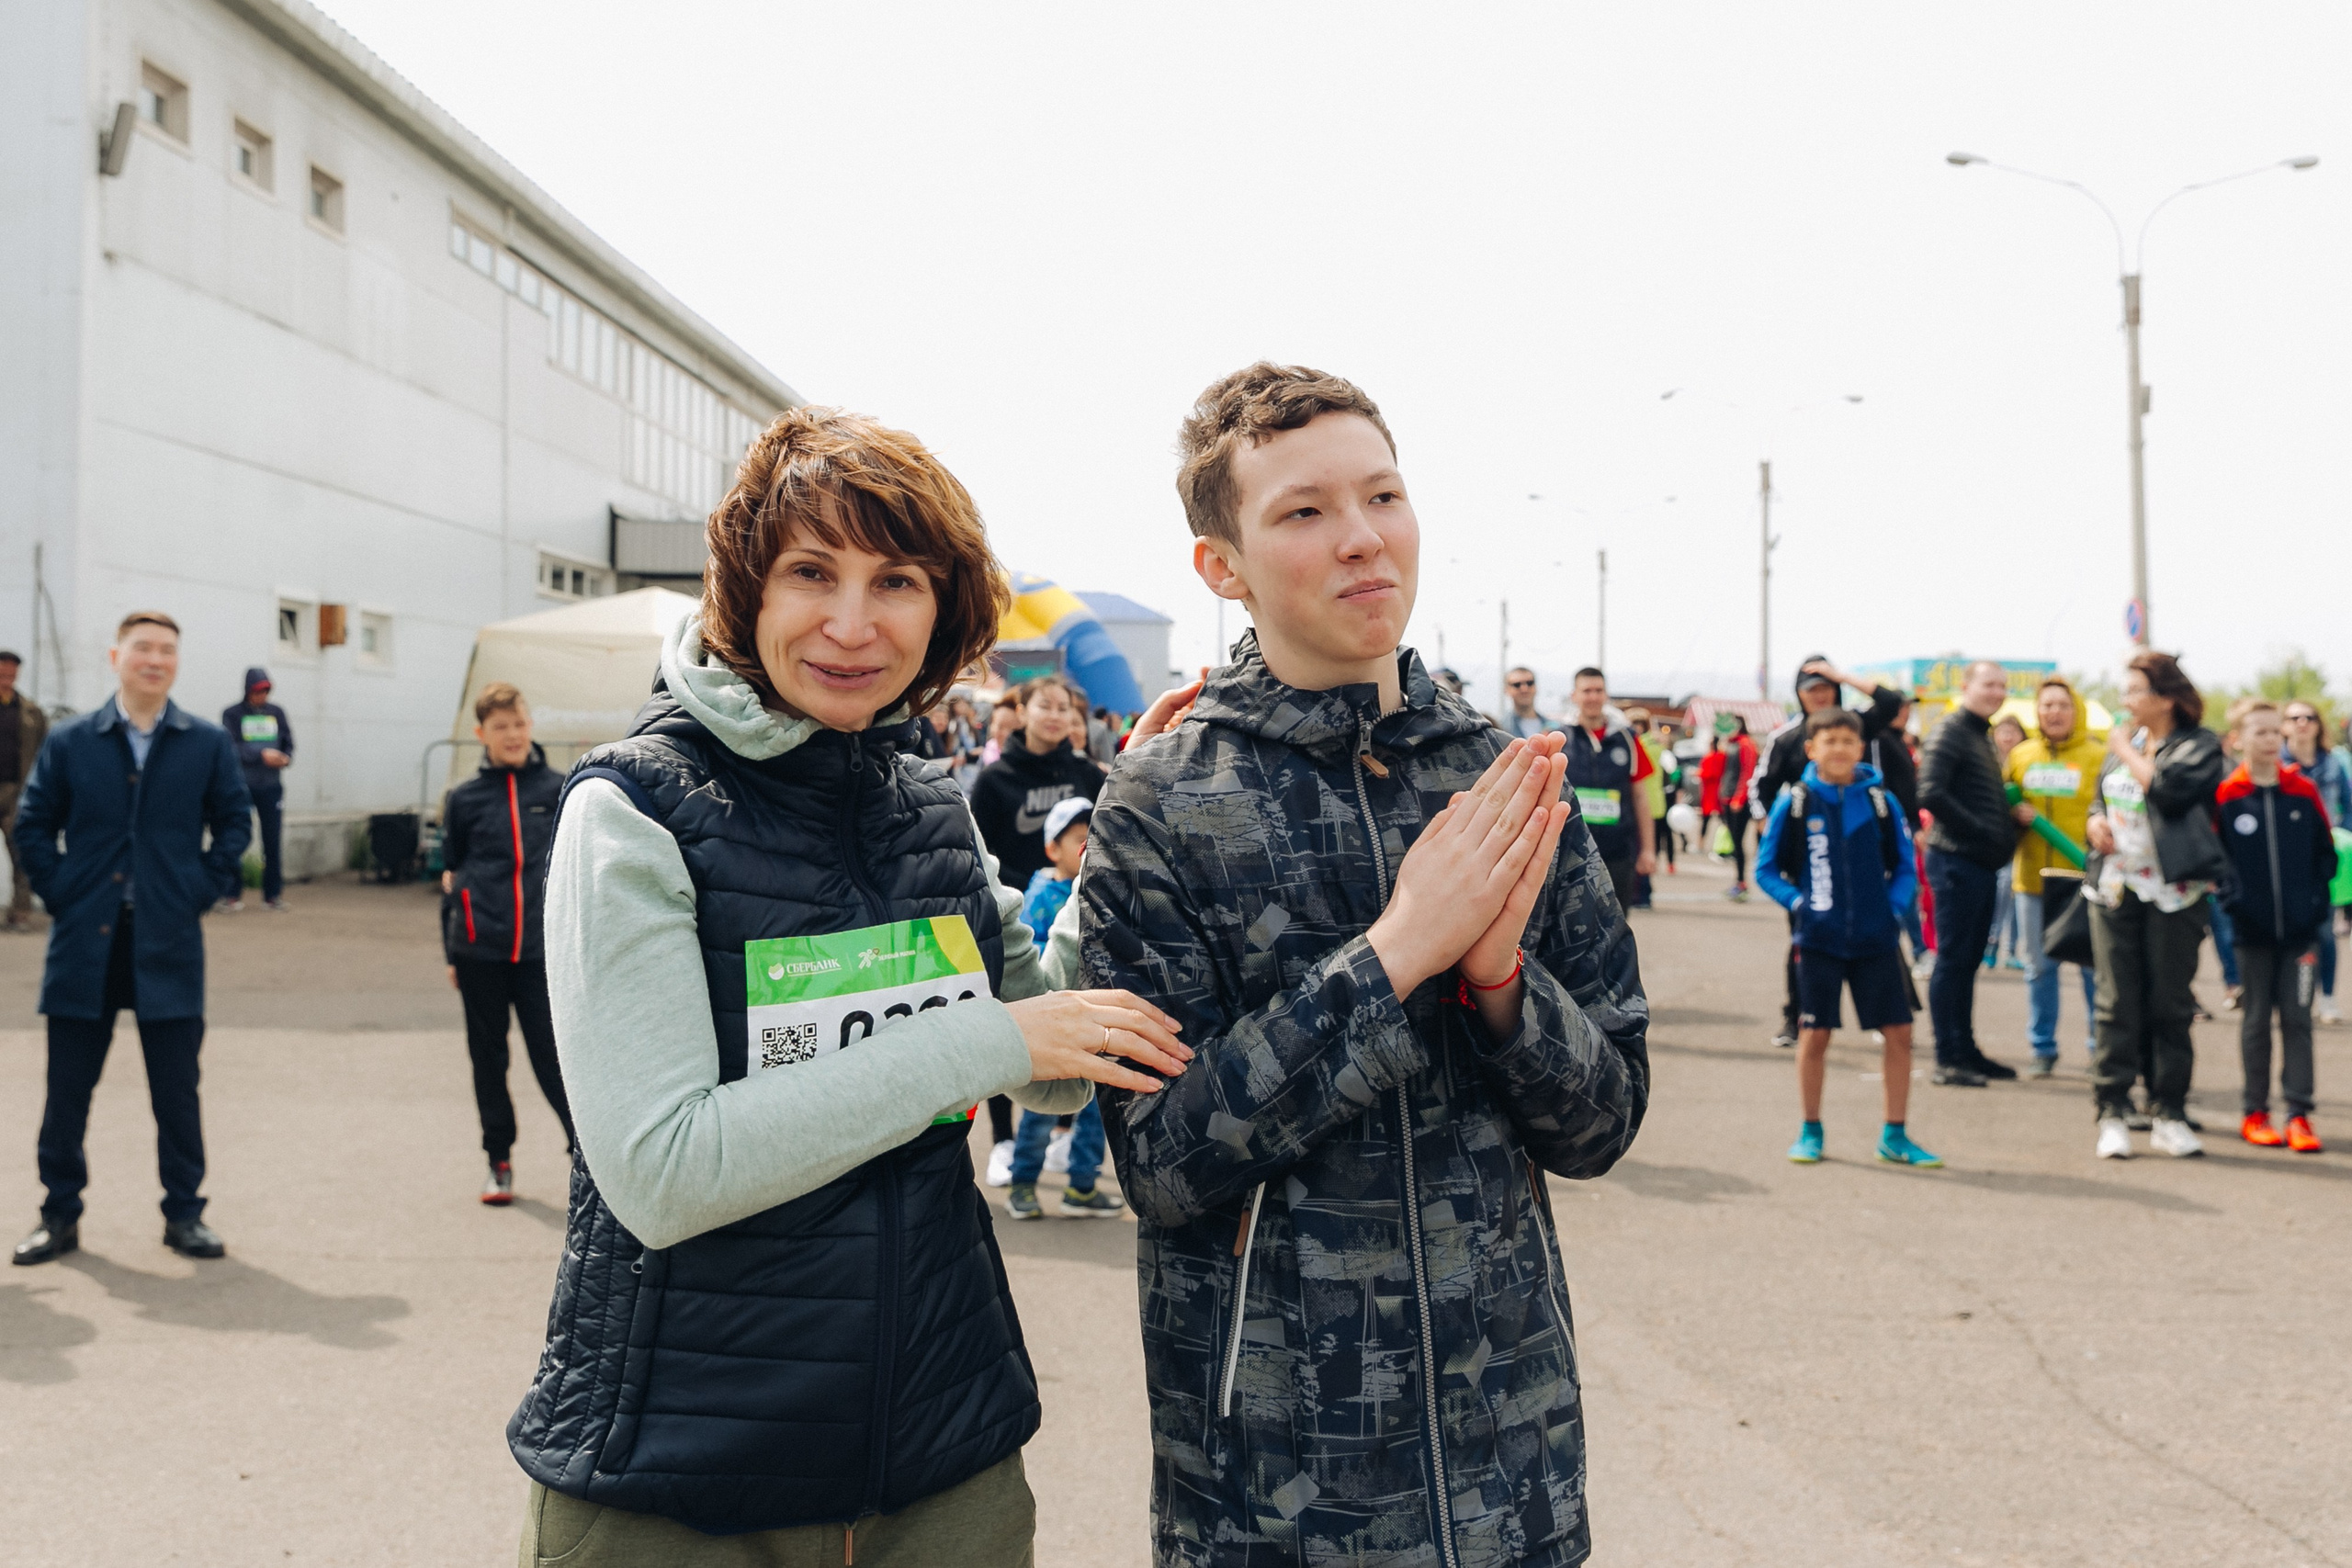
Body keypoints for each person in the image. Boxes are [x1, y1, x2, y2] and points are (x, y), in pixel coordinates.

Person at [508, 406, 1191, 1564]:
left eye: (898, 582)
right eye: (810, 573)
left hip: (937, 1451)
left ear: (947, 609)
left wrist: (1125, 822)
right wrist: (991, 1045)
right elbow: (663, 1172)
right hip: (680, 1474)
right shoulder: (632, 810)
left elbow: (1061, 1066)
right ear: (745, 593)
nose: (850, 623)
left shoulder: (930, 802)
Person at [1082, 362, 1648, 1567]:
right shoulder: (1166, 799)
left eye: (1383, 496)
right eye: (1303, 511)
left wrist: (1502, 984)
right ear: (1221, 564)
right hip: (1275, 1496)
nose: (1363, 540)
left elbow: (1604, 1121)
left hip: (1512, 1477)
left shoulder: (1501, 776)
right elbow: (1166, 1158)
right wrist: (1396, 955)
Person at [10, 611, 250, 1266]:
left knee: (176, 1091)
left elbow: (234, 823)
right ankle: (59, 1213)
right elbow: (31, 824)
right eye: (142, 647)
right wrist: (62, 892)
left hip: (166, 941)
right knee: (67, 1092)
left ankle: (184, 1214)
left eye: (167, 650)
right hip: (85, 942)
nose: (155, 659)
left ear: (177, 661)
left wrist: (197, 890)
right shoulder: (70, 740)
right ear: (116, 655)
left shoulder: (204, 742)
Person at [1755, 707, 1939, 1168]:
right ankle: (1810, 1130)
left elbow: (1903, 867)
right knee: (1814, 1035)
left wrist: (1893, 909)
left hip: (1877, 939)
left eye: (1848, 741)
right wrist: (1800, 905)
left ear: (1860, 748)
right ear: (1811, 749)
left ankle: (1895, 1135)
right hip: (1819, 941)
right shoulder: (1794, 802)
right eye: (1829, 741)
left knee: (1900, 1032)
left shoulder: (1881, 801)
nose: (1839, 749)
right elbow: (1765, 870)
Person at [2085, 651, 2225, 1160]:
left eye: (2134, 692)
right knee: (2116, 1001)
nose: (2125, 701)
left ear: (2164, 698)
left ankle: (2169, 1110)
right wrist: (2094, 821)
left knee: (2170, 1002)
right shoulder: (2125, 744)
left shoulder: (2199, 746)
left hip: (2174, 892)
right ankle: (2113, 1109)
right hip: (2115, 886)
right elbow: (2103, 798)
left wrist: (2125, 749)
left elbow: (2168, 792)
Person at [439, 682, 573, 1205]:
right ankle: (499, 1161)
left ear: (530, 726)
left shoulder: (561, 789)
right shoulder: (464, 799)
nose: (513, 735)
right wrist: (451, 951)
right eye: (501, 727)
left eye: (519, 724)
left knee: (556, 1058)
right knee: (488, 1059)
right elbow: (452, 878)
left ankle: (585, 1159)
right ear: (482, 734)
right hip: (480, 952)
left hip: (543, 954)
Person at [1755, 660, 1904, 1046]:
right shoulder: (1786, 736)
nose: (1820, 694)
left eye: (1826, 687)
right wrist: (1776, 822)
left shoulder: (1853, 724)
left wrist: (1844, 675)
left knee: (1876, 939)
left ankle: (1878, 1016)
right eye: (1811, 688)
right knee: (1805, 939)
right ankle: (1798, 1017)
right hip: (1809, 854)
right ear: (1799, 693)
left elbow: (1891, 702)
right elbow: (1762, 787)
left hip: (1859, 841)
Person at [2215, 701, 2334, 1153]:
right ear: (2239, 739)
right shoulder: (2228, 795)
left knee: (2299, 1020)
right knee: (2256, 1021)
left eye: (2274, 732)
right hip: (2250, 936)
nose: (2269, 740)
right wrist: (2236, 905)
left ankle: (2299, 1114)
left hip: (2302, 935)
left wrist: (2314, 905)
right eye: (2259, 732)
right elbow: (2218, 862)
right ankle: (2255, 1111)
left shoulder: (2303, 792)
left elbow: (2326, 854)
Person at [1004, 796, 1123, 1220]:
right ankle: (1022, 1183)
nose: (1086, 846)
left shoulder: (1107, 887)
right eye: (1078, 839)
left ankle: (1082, 1186)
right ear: (1053, 848)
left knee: (1093, 1108)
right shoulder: (1039, 894)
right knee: (1039, 1109)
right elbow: (1033, 951)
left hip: (1095, 1020)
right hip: (1054, 1019)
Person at [1918, 660, 2023, 1086]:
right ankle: (1948, 1056)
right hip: (1956, 861)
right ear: (1966, 686)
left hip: (1977, 863)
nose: (1996, 692)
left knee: (1967, 963)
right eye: (1988, 684)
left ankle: (1966, 1048)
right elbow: (1930, 792)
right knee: (1953, 961)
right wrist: (1981, 830)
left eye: (2002, 686)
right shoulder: (1950, 730)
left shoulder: (1977, 733)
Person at [2004, 678, 2104, 1076]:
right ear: (2037, 711)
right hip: (2033, 881)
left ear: (2075, 710)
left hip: (2085, 879)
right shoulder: (2021, 755)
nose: (2054, 713)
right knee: (2039, 969)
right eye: (2047, 706)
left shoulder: (2096, 756)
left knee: (2093, 970)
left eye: (2063, 705)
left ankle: (2101, 1049)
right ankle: (2042, 1050)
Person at [970, 672, 1107, 895]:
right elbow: (978, 853)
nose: (1054, 716)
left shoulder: (1088, 773)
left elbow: (1108, 838)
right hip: (1016, 907)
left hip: (1081, 902)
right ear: (1022, 713)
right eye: (1044, 706)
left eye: (1063, 709)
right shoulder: (993, 779)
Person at [1566, 666, 1657, 912]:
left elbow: (1640, 796)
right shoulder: (1560, 737)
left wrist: (1648, 850)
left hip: (1618, 852)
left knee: (1616, 926)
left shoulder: (1627, 738)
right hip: (1571, 854)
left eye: (1598, 690)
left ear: (1606, 695)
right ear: (1574, 695)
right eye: (1587, 691)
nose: (1593, 697)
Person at [2281, 701, 2348, 1024]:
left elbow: (2348, 806)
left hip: (2324, 857)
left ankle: (2328, 996)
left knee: (2324, 931)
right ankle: (2290, 1000)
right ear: (2285, 725)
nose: (2302, 723)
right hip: (2283, 859)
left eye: (2309, 717)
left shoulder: (2333, 764)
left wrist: (2344, 837)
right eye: (2294, 718)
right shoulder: (2277, 763)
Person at [219, 667, 293, 911]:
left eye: (267, 690)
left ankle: (272, 896)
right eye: (258, 691)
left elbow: (288, 743)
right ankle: (231, 895)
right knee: (235, 836)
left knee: (272, 841)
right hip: (241, 786)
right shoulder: (232, 714)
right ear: (248, 690)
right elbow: (232, 748)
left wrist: (285, 758)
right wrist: (261, 755)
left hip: (271, 786)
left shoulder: (277, 713)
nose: (263, 695)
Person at [0, 650, 51, 933]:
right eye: (2, 672)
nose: (7, 677)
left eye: (11, 673)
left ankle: (20, 911)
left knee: (21, 850)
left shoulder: (31, 712)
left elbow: (45, 753)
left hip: (16, 792)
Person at [1985, 713, 2029, 970]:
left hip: (2022, 839)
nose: (2008, 737)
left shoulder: (2027, 763)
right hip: (1994, 839)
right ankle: (1990, 944)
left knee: (2014, 892)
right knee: (2001, 889)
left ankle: (2010, 948)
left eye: (2014, 732)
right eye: (2003, 732)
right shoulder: (1987, 763)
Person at [1498, 664, 1564, 739]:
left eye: (1529, 683)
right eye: (1517, 685)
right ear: (1506, 690)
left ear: (1536, 687)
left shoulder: (1555, 727)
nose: (1524, 689)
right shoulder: (1500, 728)